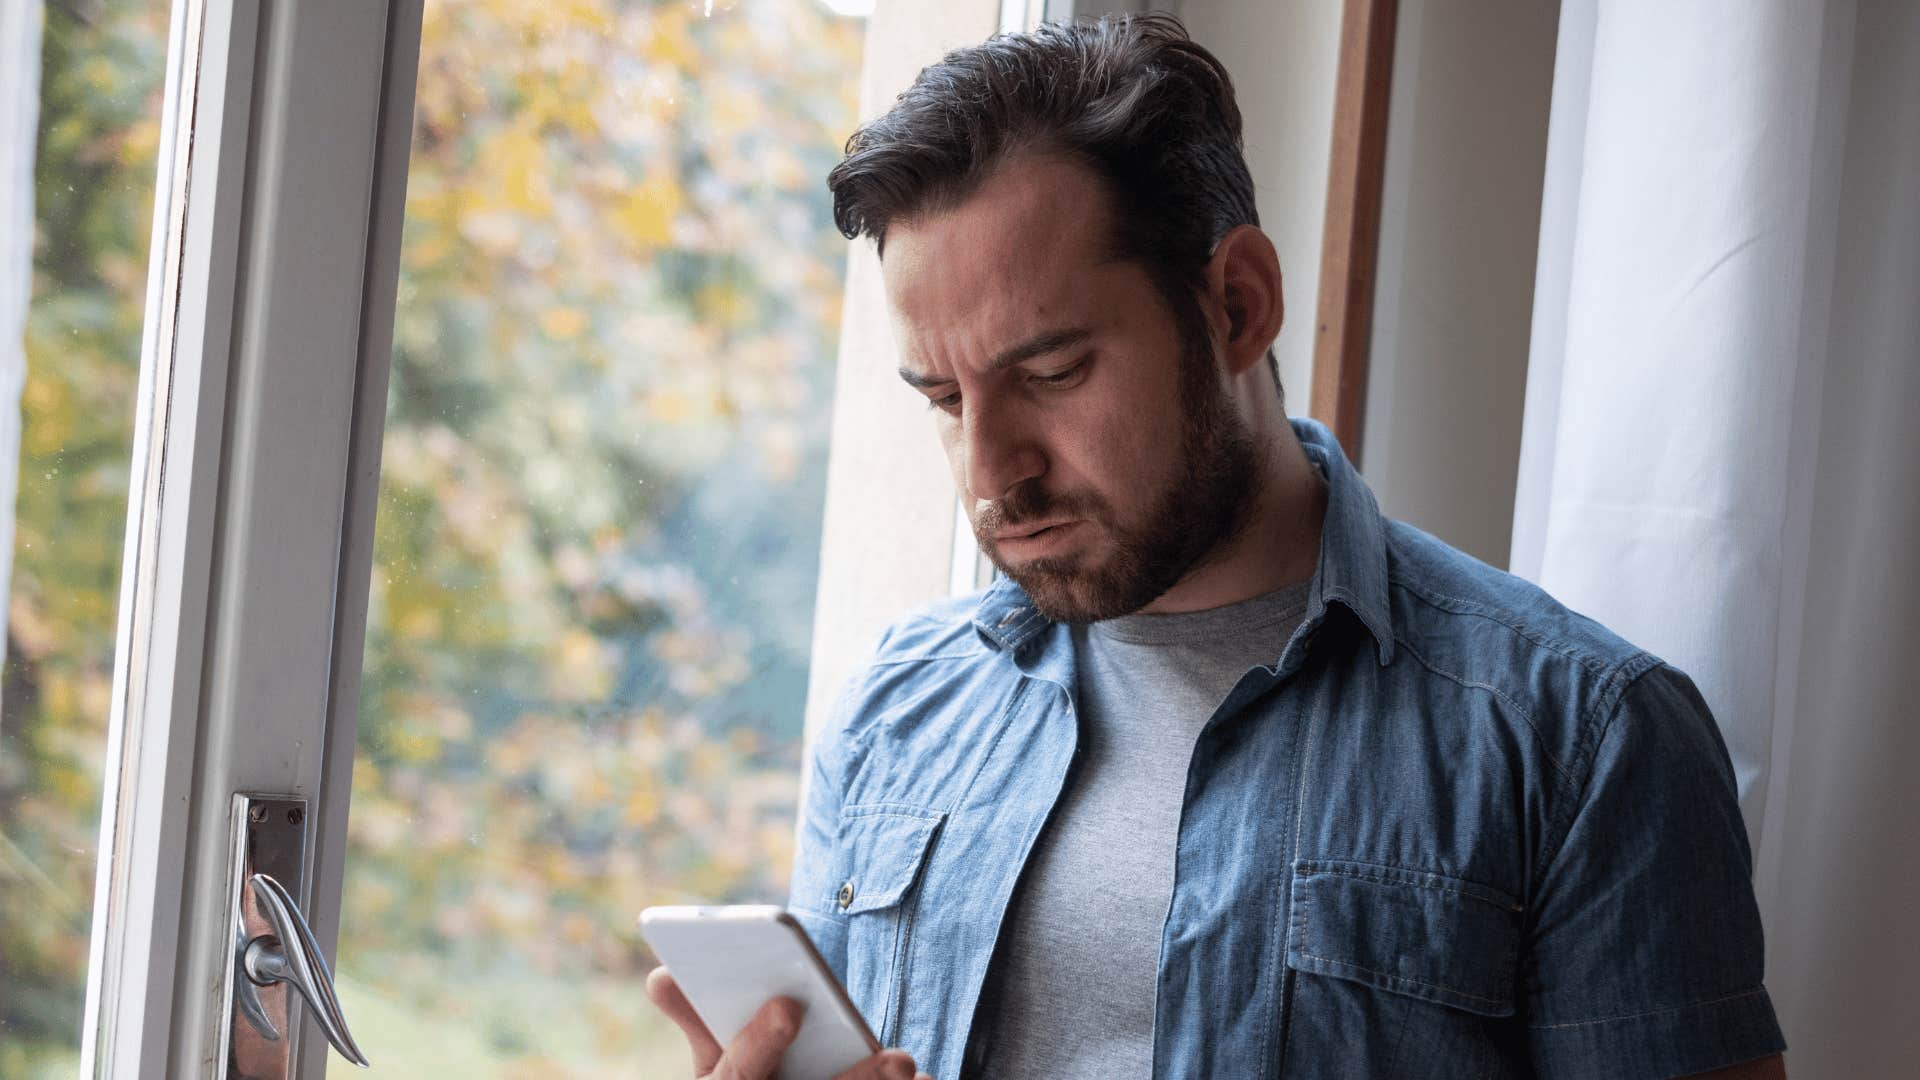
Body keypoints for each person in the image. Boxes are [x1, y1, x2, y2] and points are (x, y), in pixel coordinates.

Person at [646, 14, 1787, 1079]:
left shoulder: (1582, 743)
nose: (992, 472)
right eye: (945, 397)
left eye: (1049, 374)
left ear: (1237, 304)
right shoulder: (896, 712)